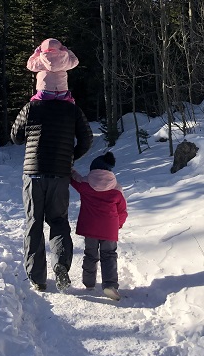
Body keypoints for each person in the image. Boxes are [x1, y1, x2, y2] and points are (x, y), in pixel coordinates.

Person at [11, 89, 93, 293]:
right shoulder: (72, 109)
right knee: (58, 221)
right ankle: (61, 265)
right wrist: (70, 157)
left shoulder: (31, 107)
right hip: (59, 174)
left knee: (34, 222)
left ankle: (38, 278)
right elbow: (87, 139)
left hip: (33, 173)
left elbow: (15, 136)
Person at [71, 151, 127, 301]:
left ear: (93, 169)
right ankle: (110, 285)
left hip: (90, 228)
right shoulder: (116, 189)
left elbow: (73, 179)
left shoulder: (84, 184)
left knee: (90, 254)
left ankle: (89, 282)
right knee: (109, 255)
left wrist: (69, 168)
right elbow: (122, 211)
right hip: (109, 228)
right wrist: (118, 225)